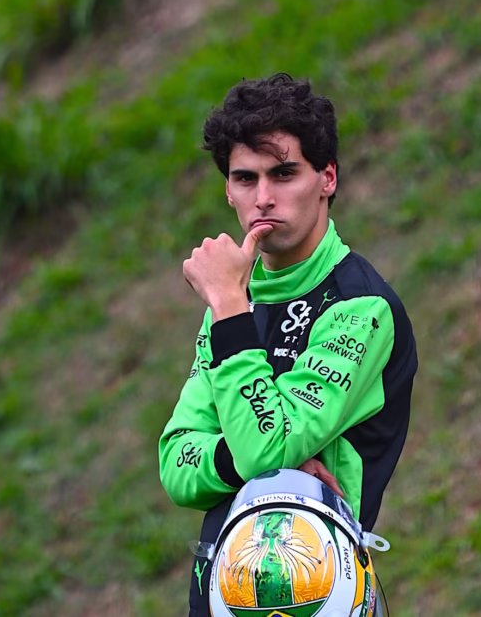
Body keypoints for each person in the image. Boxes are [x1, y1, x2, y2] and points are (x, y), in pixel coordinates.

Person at [157, 72, 418, 616]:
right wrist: (257, 464)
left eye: (284, 173)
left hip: (317, 596)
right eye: (245, 178)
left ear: (327, 178)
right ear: (228, 190)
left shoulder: (360, 309)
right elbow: (177, 464)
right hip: (221, 593)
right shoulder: (233, 302)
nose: (263, 198)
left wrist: (230, 310)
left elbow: (266, 450)